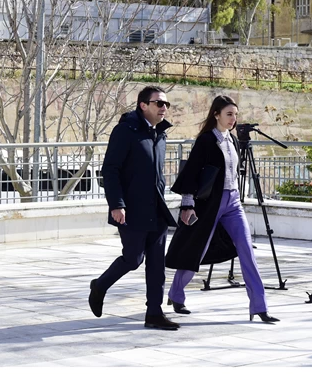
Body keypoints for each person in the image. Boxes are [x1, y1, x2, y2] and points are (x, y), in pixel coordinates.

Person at [166, 95, 279, 323]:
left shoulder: (233, 140)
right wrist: (188, 204)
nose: (233, 119)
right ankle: (176, 293)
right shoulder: (206, 140)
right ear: (216, 114)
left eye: (235, 115)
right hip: (209, 205)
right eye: (229, 114)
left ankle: (259, 305)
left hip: (233, 203)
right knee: (197, 249)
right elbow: (192, 173)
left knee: (246, 249)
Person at [88, 86, 180, 330]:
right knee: (133, 259)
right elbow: (110, 170)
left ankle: (154, 313)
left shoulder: (160, 134)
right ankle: (99, 285)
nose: (164, 108)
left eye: (166, 104)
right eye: (159, 103)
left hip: (156, 208)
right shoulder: (125, 131)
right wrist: (117, 204)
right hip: (132, 209)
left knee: (157, 264)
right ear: (143, 105)